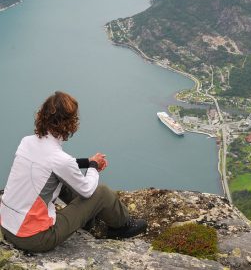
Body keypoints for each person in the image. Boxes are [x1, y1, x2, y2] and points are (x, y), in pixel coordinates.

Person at [0, 91, 147, 252]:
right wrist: (93, 167)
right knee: (102, 192)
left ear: (42, 114)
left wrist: (87, 162)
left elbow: (50, 166)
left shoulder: (26, 142)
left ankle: (89, 220)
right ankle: (123, 226)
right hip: (34, 238)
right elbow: (86, 190)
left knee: (60, 181)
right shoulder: (59, 159)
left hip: (7, 226)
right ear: (69, 123)